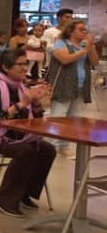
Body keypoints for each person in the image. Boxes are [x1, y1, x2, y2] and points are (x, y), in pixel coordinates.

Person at [0, 48, 56, 217]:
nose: (25, 68)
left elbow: (34, 119)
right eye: (20, 64)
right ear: (5, 66)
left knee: (47, 149)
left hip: (18, 134)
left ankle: (24, 192)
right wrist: (23, 103)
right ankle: (5, 199)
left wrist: (37, 103)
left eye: (26, 63)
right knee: (28, 150)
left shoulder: (23, 88)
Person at [47, 20, 100, 157]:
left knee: (72, 119)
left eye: (85, 30)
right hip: (63, 86)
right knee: (58, 117)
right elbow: (65, 59)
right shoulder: (61, 43)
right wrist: (85, 51)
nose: (85, 32)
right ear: (71, 31)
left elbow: (95, 62)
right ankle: (51, 147)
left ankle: (64, 146)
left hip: (79, 87)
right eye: (81, 29)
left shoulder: (85, 45)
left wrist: (91, 47)